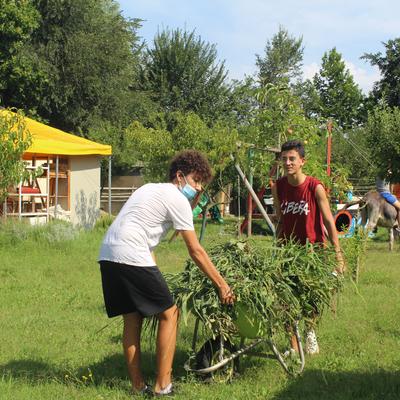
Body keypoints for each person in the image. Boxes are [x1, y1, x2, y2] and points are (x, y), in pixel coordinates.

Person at [98, 150, 234, 396]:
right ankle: (163, 386)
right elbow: (196, 251)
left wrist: (154, 272)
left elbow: (145, 236)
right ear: (179, 176)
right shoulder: (177, 198)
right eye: (195, 181)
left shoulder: (148, 188)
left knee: (132, 317)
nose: (198, 188)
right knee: (170, 313)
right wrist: (222, 285)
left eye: (202, 183)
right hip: (130, 253)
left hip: (108, 253)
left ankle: (138, 387)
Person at [271, 139, 344, 355]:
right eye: (284, 159)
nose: (288, 162)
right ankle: (293, 347)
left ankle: (310, 333)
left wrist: (338, 256)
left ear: (302, 161)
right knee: (285, 297)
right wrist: (276, 250)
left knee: (310, 297)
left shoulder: (315, 187)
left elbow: (329, 222)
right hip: (288, 252)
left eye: (292, 158)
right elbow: (281, 220)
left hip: (313, 251)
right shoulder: (279, 187)